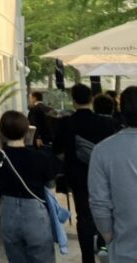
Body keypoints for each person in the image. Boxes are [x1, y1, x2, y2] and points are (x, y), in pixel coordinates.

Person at [53, 83, 116, 263]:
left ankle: (87, 258)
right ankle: (103, 248)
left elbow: (57, 150)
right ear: (91, 99)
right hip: (103, 175)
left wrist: (71, 159)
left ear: (73, 100)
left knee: (83, 216)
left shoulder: (66, 123)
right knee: (104, 210)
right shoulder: (105, 122)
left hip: (78, 176)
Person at [0, 110, 55, 262]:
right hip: (35, 213)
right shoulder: (41, 157)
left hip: (8, 213)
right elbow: (51, 189)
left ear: (2, 132)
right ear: (26, 132)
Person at [88, 86, 137, 261]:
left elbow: (99, 203)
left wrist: (108, 238)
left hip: (125, 248)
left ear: (120, 110)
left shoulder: (103, 150)